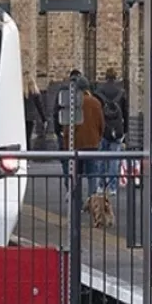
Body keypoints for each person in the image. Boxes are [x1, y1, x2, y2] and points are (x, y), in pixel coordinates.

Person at [62, 73, 105, 206]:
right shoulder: (96, 102)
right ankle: (92, 202)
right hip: (92, 144)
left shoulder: (74, 103)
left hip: (76, 144)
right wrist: (98, 138)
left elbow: (68, 127)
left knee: (76, 175)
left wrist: (66, 144)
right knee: (92, 175)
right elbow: (101, 124)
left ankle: (77, 203)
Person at [94, 68, 128, 197]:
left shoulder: (98, 92)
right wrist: (125, 131)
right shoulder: (121, 92)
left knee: (101, 159)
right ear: (116, 77)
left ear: (105, 77)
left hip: (103, 129)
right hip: (117, 130)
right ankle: (113, 187)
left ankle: (101, 185)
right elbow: (125, 112)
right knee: (114, 160)